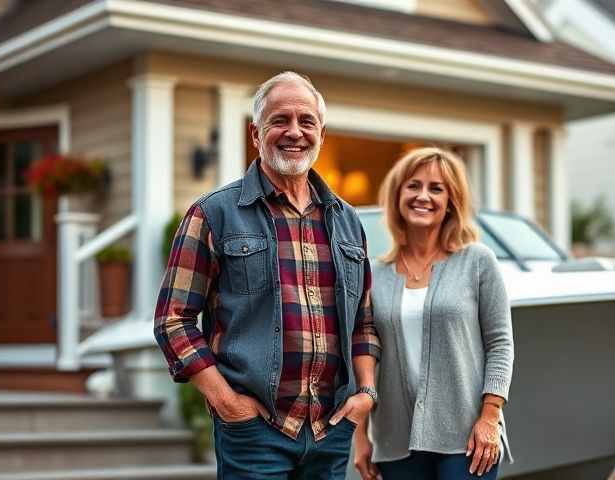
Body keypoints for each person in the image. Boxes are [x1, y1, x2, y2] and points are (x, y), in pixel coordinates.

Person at [154, 71, 381, 480]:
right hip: (255, 432)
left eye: (306, 121)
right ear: (256, 133)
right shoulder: (213, 214)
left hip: (330, 432)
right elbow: (173, 320)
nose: (294, 131)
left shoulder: (347, 220)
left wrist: (365, 394)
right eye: (280, 120)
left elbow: (363, 323)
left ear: (321, 134)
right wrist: (225, 401)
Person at [352, 147, 514, 480]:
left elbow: (500, 344)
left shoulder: (477, 261)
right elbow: (365, 354)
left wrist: (490, 417)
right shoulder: (374, 274)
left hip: (467, 436)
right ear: (398, 195)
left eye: (436, 188)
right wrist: (360, 436)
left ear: (452, 201)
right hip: (395, 439)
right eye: (413, 186)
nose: (422, 196)